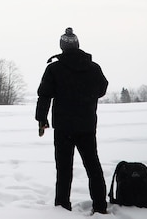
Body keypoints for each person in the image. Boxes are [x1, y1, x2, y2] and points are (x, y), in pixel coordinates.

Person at [35, 27, 109, 214]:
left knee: (64, 169)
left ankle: (62, 207)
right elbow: (102, 89)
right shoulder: (93, 67)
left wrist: (41, 119)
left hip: (64, 127)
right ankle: (100, 207)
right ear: (78, 45)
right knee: (93, 166)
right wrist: (85, 95)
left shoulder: (54, 69)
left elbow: (44, 95)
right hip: (86, 126)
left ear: (62, 47)